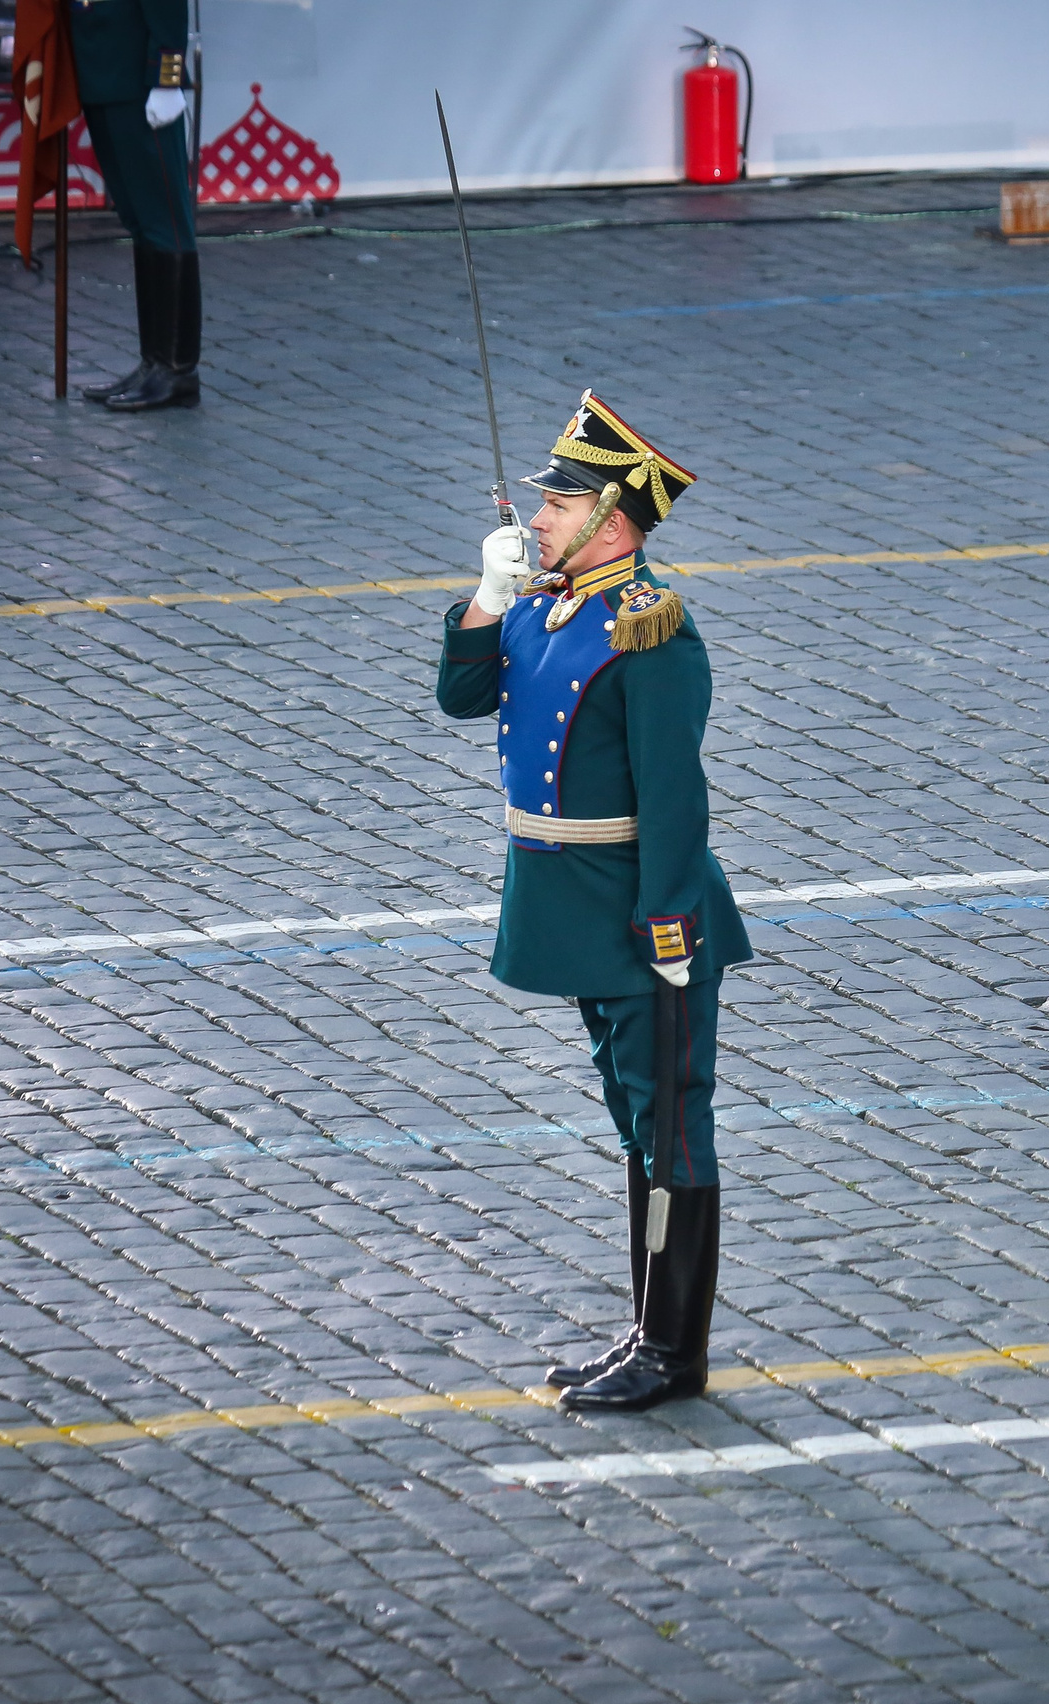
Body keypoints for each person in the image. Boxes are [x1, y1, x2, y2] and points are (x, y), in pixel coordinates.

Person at [435, 392, 751, 1413]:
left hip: (636, 912)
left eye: (559, 506)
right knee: (633, 1123)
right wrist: (483, 599)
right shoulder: (541, 602)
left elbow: (673, 796)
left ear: (612, 520)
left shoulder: (648, 628)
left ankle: (674, 1350)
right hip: (567, 900)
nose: (539, 520)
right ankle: (646, 1325)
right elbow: (463, 697)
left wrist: (668, 924)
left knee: (671, 1129)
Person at [68, 0, 202, 410]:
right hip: (102, 78)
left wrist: (167, 80)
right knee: (140, 221)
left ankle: (178, 369)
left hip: (141, 83)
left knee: (165, 222)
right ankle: (154, 362)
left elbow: (168, 10)